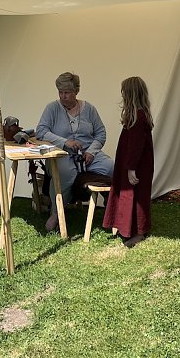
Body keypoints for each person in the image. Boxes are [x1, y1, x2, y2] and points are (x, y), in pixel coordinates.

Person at [36, 72, 113, 230]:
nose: (63, 96)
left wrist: (91, 151)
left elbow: (101, 133)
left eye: (67, 93)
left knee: (110, 166)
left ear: (76, 91)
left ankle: (111, 208)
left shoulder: (89, 109)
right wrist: (65, 142)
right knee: (64, 172)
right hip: (62, 154)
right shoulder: (52, 108)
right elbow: (41, 131)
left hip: (87, 154)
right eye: (60, 92)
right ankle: (56, 213)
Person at [102, 76, 154, 248]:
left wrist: (131, 168)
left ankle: (139, 232)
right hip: (129, 164)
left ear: (130, 95)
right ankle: (126, 227)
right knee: (127, 194)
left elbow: (137, 146)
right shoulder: (135, 116)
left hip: (137, 166)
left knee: (137, 197)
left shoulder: (139, 118)